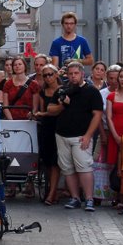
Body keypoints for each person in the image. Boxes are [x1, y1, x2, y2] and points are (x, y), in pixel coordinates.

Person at [47, 61, 103, 211]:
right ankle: (75, 198)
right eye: (70, 74)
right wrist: (63, 104)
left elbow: (97, 115)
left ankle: (89, 199)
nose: (73, 76)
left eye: (76, 73)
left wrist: (88, 135)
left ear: (82, 74)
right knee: (67, 169)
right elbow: (50, 109)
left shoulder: (92, 91)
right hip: (62, 135)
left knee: (84, 167)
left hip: (81, 137)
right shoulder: (62, 90)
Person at [32, 64, 62, 205]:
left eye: (50, 74)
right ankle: (51, 189)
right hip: (46, 127)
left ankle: (52, 193)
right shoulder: (43, 91)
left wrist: (45, 113)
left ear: (56, 74)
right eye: (45, 75)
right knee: (48, 162)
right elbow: (43, 111)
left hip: (60, 127)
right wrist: (38, 114)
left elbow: (60, 111)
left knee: (56, 162)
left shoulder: (63, 90)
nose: (48, 77)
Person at [94, 64, 120, 204]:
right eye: (111, 78)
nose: (115, 81)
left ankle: (115, 195)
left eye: (117, 78)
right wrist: (103, 134)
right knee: (97, 161)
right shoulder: (102, 93)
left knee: (116, 164)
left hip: (120, 132)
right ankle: (97, 194)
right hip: (104, 130)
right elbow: (98, 116)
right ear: (107, 78)